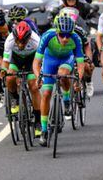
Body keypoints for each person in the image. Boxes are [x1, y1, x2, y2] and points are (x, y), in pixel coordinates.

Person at [33, 14, 84, 147]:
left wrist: (78, 80)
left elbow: (80, 63)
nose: (66, 38)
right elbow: (36, 61)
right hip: (50, 61)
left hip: (66, 59)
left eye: (68, 35)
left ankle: (66, 100)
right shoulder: (47, 36)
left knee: (63, 75)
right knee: (46, 94)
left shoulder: (76, 38)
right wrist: (38, 76)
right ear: (56, 32)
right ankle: (44, 131)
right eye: (62, 35)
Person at [0, 21, 42, 137]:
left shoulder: (36, 40)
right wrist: (3, 70)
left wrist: (40, 75)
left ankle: (38, 121)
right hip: (16, 60)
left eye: (23, 41)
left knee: (33, 86)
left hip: (31, 60)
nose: (20, 44)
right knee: (10, 78)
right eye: (18, 41)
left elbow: (41, 61)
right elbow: (6, 61)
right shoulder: (10, 40)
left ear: (29, 37)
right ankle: (15, 99)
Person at [58, 7, 95, 97]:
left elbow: (87, 46)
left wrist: (89, 60)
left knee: (87, 66)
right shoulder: (57, 30)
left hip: (79, 51)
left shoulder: (79, 30)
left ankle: (88, 81)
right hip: (64, 53)